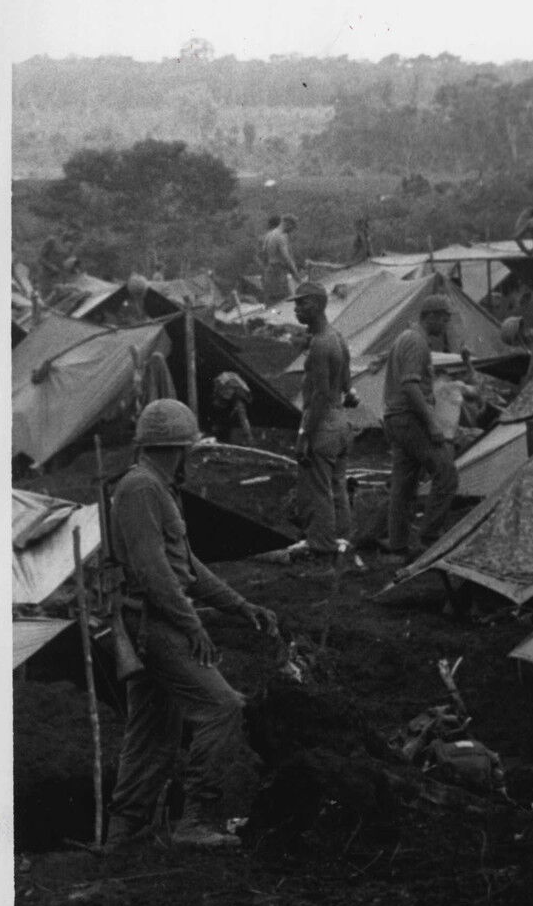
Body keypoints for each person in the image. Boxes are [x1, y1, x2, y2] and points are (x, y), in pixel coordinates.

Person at [105, 399, 280, 849]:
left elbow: (187, 567)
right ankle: (195, 821)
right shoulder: (142, 489)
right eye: (188, 451)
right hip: (153, 621)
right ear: (177, 449)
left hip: (153, 615)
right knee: (222, 707)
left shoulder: (155, 488)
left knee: (151, 730)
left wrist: (239, 605)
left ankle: (124, 833)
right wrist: (192, 626)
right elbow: (152, 571)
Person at [382, 293, 461, 556]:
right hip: (409, 418)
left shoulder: (406, 338)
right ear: (432, 317)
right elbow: (410, 386)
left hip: (396, 418)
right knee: (446, 474)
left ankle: (398, 545)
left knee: (403, 485)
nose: (446, 325)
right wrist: (432, 425)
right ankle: (429, 538)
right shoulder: (417, 342)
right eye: (445, 319)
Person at [293, 281, 353, 562]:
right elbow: (345, 384)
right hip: (341, 422)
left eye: (301, 303)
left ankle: (323, 544)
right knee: (337, 485)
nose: (296, 309)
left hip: (324, 424)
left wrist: (305, 435)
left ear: (317, 304)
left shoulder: (320, 344)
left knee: (319, 488)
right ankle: (342, 538)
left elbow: (319, 396)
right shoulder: (337, 337)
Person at [260, 215, 300, 303]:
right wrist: (295, 273)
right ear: (288, 224)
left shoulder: (269, 235)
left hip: (269, 271)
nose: (292, 231)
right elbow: (286, 258)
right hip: (280, 272)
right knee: (286, 301)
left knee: (273, 301)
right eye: (292, 228)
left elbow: (264, 254)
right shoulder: (281, 236)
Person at [207, 371, 253, 445]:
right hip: (222, 401)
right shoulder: (219, 386)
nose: (229, 391)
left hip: (235, 404)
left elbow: (243, 418)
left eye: (231, 389)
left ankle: (246, 437)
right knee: (217, 409)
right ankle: (216, 431)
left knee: (239, 414)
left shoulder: (239, 397)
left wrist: (248, 435)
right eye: (228, 389)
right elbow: (216, 405)